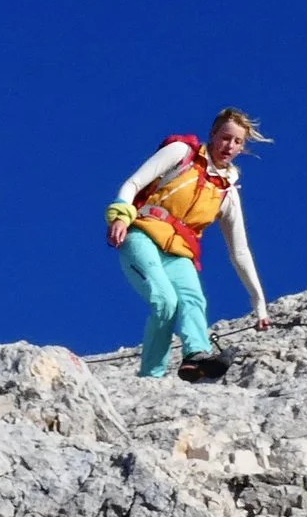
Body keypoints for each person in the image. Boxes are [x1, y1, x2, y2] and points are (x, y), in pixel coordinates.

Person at [106, 111, 271, 382]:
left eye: (237, 142)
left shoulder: (226, 192)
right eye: (225, 137)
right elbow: (134, 183)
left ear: (242, 147)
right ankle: (152, 376)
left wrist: (259, 303)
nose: (229, 146)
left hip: (180, 251)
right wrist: (120, 216)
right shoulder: (181, 152)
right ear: (213, 135)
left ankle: (196, 356)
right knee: (165, 302)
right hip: (143, 234)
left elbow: (240, 251)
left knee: (194, 299)